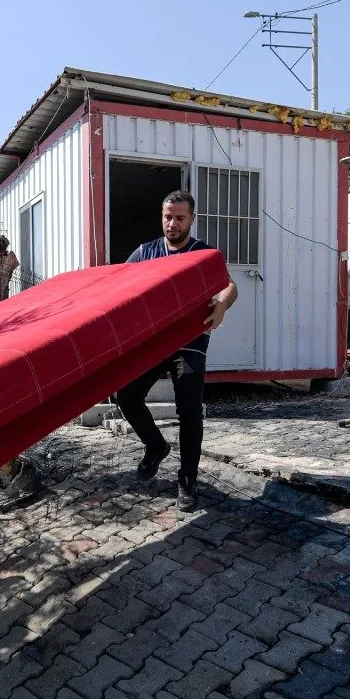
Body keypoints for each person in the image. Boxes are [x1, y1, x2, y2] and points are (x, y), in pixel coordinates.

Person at [114, 190, 238, 512]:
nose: (172, 223)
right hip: (154, 343)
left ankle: (187, 480)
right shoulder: (145, 252)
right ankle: (155, 446)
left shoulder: (204, 255)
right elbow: (116, 285)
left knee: (190, 412)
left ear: (192, 219)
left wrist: (222, 302)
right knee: (126, 396)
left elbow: (229, 285)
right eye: (168, 217)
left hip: (190, 344)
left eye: (180, 218)